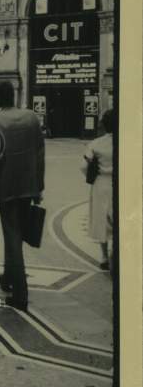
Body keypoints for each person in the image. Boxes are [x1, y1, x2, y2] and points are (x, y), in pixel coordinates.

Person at [0, 79, 45, 310]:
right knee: (14, 235)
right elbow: (39, 153)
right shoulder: (31, 117)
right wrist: (39, 186)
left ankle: (20, 295)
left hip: (6, 188)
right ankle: (8, 277)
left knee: (13, 238)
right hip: (28, 186)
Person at [81, 109, 114, 271]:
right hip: (120, 183)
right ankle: (117, 250)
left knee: (101, 219)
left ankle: (104, 256)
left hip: (101, 183)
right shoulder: (128, 140)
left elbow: (84, 167)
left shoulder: (96, 144)